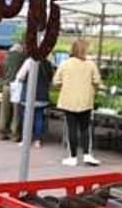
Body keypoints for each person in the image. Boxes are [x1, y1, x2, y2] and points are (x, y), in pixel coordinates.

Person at [53, 39, 102, 167]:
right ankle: (87, 154)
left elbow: (56, 81)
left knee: (71, 128)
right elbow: (97, 81)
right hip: (85, 100)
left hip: (68, 100)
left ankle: (73, 157)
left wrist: (65, 86)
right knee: (85, 128)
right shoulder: (91, 64)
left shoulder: (65, 64)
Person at [16, 54, 55, 148]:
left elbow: (19, 76)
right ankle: (37, 140)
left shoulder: (29, 61)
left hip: (29, 95)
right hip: (42, 95)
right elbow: (51, 80)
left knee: (27, 118)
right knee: (39, 118)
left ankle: (25, 140)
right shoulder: (48, 63)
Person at [0, 43, 27, 141]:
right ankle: (15, 134)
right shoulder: (23, 57)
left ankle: (2, 132)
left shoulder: (6, 57)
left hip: (6, 86)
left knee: (4, 111)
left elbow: (2, 71)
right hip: (17, 86)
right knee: (16, 111)